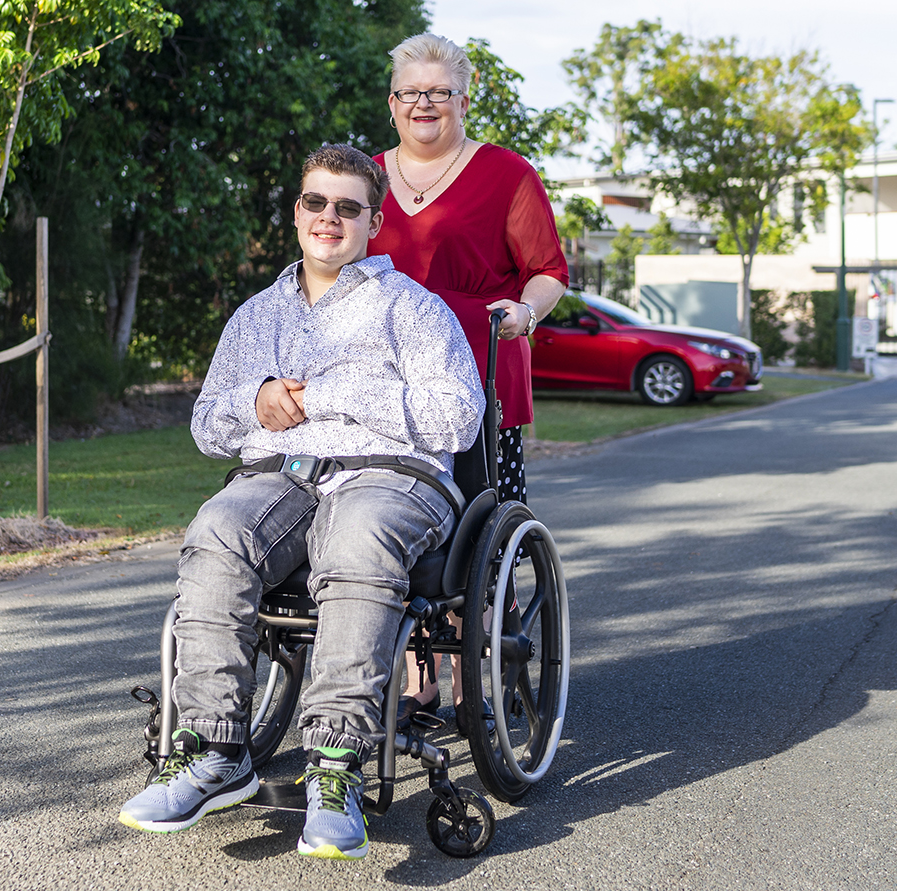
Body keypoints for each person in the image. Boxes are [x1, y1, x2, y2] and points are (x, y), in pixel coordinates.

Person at [117, 144, 484, 861]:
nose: (329, 218)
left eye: (348, 207)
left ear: (374, 222)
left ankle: (334, 767)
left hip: (392, 476)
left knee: (355, 538)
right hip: (284, 475)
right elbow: (205, 425)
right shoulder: (255, 316)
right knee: (218, 529)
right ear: (297, 212)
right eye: (316, 202)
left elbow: (457, 417)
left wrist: (330, 395)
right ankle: (215, 749)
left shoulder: (412, 308)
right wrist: (254, 400)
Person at [367, 33, 571, 731]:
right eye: (410, 92)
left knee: (477, 533)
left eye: (439, 92)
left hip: (480, 375)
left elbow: (547, 270)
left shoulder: (506, 173)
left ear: (463, 96)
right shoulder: (365, 179)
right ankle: (417, 679)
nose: (424, 104)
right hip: (388, 388)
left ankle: (475, 674)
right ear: (393, 102)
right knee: (395, 524)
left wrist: (525, 309)